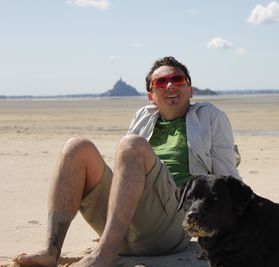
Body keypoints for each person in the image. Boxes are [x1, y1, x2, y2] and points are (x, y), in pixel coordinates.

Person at [13, 56, 240, 267]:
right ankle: (52, 250)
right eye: (160, 82)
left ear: (189, 89)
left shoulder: (209, 116)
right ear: (151, 96)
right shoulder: (143, 116)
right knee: (76, 147)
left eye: (177, 80)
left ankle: (106, 252)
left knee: (132, 145)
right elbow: (125, 172)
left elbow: (226, 176)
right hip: (128, 225)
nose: (170, 85)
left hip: (171, 224)